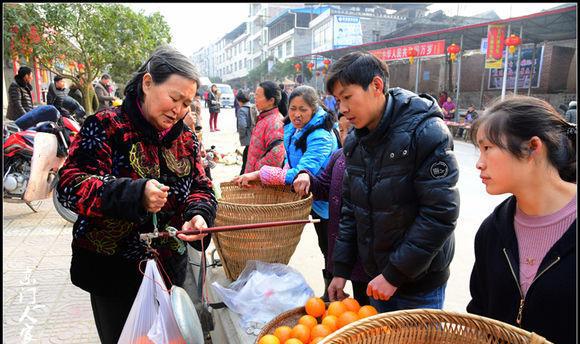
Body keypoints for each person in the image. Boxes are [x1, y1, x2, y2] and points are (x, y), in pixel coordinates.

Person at [56, 46, 217, 344]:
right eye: (173, 98)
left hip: (169, 269)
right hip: (113, 273)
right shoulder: (105, 126)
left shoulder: (186, 139)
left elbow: (202, 187)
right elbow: (69, 185)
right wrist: (134, 193)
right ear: (147, 83)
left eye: (187, 103)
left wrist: (198, 215)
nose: (179, 110)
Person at [325, 51, 460, 313]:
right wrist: (340, 269)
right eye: (338, 100)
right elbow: (351, 210)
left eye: (347, 97)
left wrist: (395, 274)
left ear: (376, 86)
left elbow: (440, 213)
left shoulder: (426, 132)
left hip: (419, 284)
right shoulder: (355, 142)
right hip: (377, 280)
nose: (342, 109)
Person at [466, 96, 576, 344]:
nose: (479, 164)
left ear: (532, 147)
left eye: (487, 148)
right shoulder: (493, 230)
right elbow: (480, 316)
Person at [233, 85, 340, 299]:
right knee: (324, 246)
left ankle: (334, 296)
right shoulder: (294, 128)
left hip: (329, 202)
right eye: (293, 109)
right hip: (313, 199)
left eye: (303, 109)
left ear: (314, 109)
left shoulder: (320, 135)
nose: (297, 114)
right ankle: (331, 295)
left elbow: (303, 170)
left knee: (332, 249)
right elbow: (288, 163)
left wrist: (259, 174)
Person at [293, 112, 370, 306]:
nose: (346, 136)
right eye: (342, 130)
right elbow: (324, 187)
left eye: (351, 130)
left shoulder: (373, 160)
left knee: (368, 306)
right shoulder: (339, 156)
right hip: (344, 245)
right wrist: (307, 178)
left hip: (366, 252)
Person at [241, 81, 286, 173]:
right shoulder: (264, 117)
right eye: (255, 96)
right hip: (252, 179)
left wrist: (256, 167)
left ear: (271, 101)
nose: (255, 99)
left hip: (260, 181)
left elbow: (277, 155)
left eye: (258, 96)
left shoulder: (275, 122)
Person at [235, 90, 253, 174]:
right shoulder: (253, 107)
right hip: (255, 138)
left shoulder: (242, 110)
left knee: (245, 161)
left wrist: (242, 135)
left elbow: (242, 125)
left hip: (248, 138)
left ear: (239, 100)